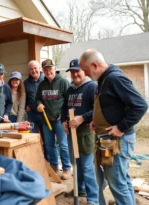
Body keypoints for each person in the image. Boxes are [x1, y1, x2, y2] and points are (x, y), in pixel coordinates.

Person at [79, 49, 148, 205]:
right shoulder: (102, 80)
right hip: (107, 140)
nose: (86, 74)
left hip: (118, 141)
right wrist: (96, 120)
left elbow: (140, 105)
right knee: (120, 180)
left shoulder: (115, 78)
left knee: (117, 182)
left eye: (86, 70)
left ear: (95, 65)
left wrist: (121, 127)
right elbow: (110, 106)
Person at [61, 58, 98, 205]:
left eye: (77, 71)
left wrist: (82, 118)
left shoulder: (91, 87)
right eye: (72, 71)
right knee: (76, 163)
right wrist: (63, 120)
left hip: (85, 132)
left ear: (83, 71)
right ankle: (79, 189)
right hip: (72, 132)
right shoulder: (70, 89)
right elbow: (64, 108)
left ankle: (93, 199)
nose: (75, 74)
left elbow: (97, 109)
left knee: (87, 166)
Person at [36, 59, 72, 180]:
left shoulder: (63, 82)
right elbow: (38, 99)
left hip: (59, 120)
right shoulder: (41, 84)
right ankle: (54, 167)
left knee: (63, 144)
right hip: (46, 120)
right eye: (45, 69)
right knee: (49, 145)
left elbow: (69, 101)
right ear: (43, 71)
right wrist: (39, 104)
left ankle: (66, 168)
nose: (48, 71)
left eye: (50, 69)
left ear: (54, 68)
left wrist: (64, 117)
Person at [24, 60, 48, 158]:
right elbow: (23, 96)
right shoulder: (26, 83)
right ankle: (34, 159)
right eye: (31, 69)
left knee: (46, 138)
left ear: (39, 69)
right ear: (29, 71)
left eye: (35, 68)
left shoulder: (46, 80)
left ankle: (48, 161)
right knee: (31, 138)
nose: (33, 71)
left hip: (44, 114)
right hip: (32, 115)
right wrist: (26, 105)